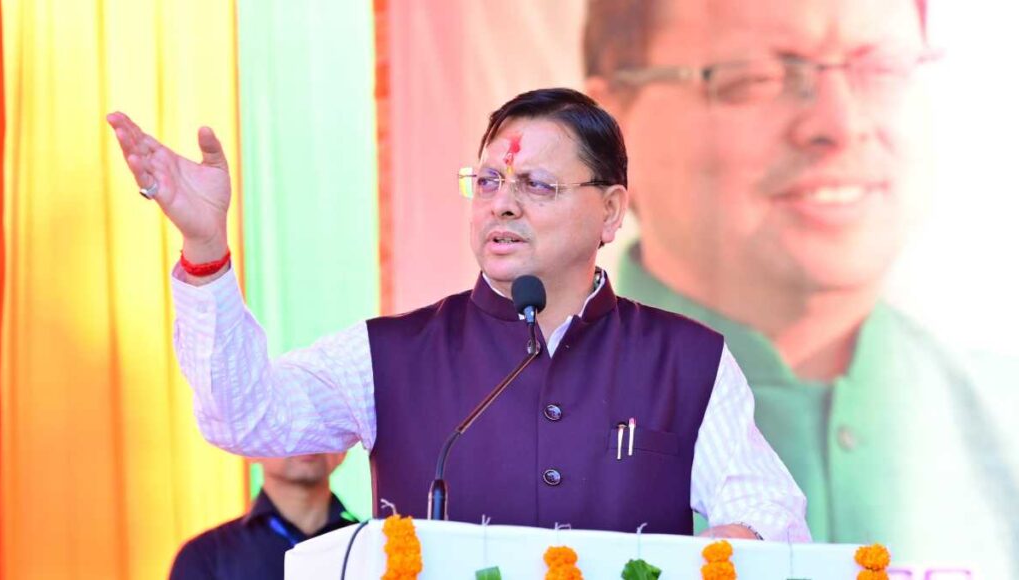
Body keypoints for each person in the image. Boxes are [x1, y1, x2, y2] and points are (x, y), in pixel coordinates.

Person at [106, 87, 809, 541]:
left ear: (611, 211)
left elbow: (770, 514)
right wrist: (205, 250)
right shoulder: (389, 354)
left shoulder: (686, 359)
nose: (502, 204)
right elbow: (245, 418)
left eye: (536, 185)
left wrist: (730, 551)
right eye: (489, 181)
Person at [583, 0, 1018, 574]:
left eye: (882, 67)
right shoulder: (493, 419)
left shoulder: (1005, 415)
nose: (840, 125)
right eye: (758, 77)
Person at [169, 453, 356, 579]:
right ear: (250, 448)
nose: (305, 434)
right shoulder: (204, 557)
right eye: (285, 420)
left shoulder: (369, 545)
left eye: (322, 419)